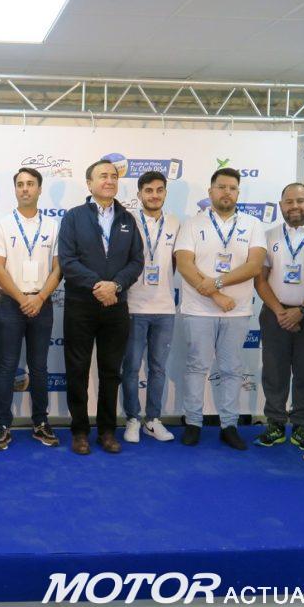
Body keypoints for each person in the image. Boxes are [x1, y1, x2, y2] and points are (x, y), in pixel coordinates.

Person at [174, 167, 266, 450]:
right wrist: (217, 295)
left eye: (232, 188)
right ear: (210, 191)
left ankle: (229, 425)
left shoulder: (253, 224)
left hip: (236, 311)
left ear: (238, 193)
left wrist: (216, 283)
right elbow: (184, 264)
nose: (227, 192)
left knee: (231, 369)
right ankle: (193, 423)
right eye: (222, 187)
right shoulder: (192, 224)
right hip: (198, 309)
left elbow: (254, 265)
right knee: (196, 367)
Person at [58, 160, 145, 455]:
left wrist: (115, 286)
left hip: (116, 306)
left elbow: (137, 261)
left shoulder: (127, 219)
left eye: (113, 176)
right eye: (103, 176)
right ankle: (80, 431)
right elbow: (67, 261)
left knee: (110, 372)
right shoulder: (74, 217)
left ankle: (107, 431)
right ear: (89, 183)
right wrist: (99, 285)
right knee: (77, 370)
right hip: (81, 305)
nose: (109, 180)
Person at [0, 167, 62, 450]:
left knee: (39, 367)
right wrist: (22, 299)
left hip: (42, 303)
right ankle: (2, 423)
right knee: (6, 366)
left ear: (40, 189)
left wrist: (40, 297)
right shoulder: (3, 225)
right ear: (15, 190)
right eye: (20, 184)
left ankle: (40, 422)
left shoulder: (53, 226)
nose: (25, 189)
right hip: (11, 302)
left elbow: (58, 268)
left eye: (30, 184)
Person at [253, 183, 304, 451]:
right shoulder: (269, 235)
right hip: (275, 313)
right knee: (274, 372)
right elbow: (260, 280)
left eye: (300, 201)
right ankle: (275, 424)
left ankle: (302, 426)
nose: (295, 206)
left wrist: (301, 310)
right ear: (281, 205)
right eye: (289, 202)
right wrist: (281, 312)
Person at [121, 170, 178, 444]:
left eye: (159, 190)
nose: (154, 195)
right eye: (148, 191)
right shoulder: (127, 222)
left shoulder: (176, 223)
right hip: (134, 306)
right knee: (131, 367)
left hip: (165, 308)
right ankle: (133, 418)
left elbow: (178, 263)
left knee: (158, 368)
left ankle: (153, 420)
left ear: (165, 193)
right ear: (139, 194)